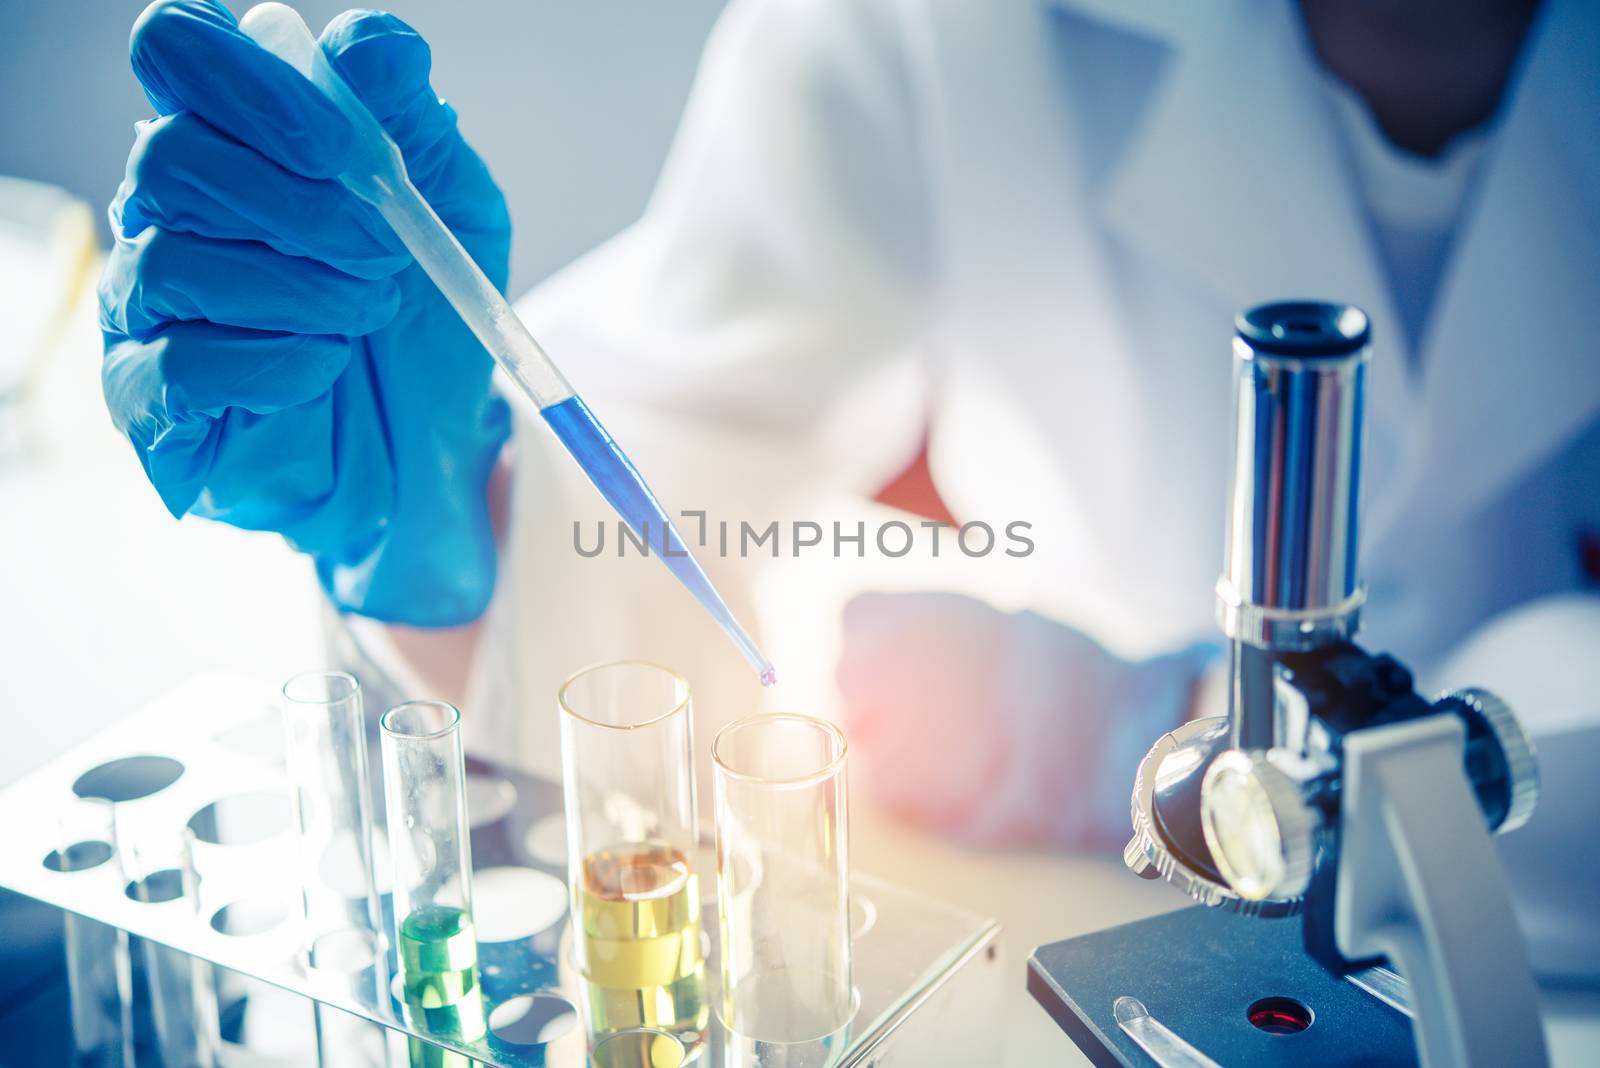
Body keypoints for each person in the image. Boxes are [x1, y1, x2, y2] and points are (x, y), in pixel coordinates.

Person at [100, 0, 1597, 978]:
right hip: (1101, 939)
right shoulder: (939, 26)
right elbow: (673, 458)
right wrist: (446, 527)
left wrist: (1210, 745)